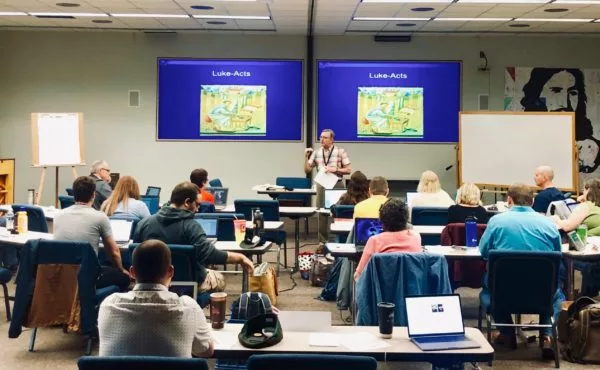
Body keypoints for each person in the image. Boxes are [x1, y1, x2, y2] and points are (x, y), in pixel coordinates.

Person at [479, 183, 563, 357]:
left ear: (509, 200)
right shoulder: (549, 224)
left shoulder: (496, 221)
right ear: (532, 201)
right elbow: (557, 255)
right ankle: (547, 336)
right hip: (541, 291)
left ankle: (506, 333)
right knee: (555, 295)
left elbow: (484, 251)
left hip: (504, 290)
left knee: (489, 287)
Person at [98, 239, 213, 357]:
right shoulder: (189, 307)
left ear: (132, 272)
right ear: (171, 271)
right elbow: (206, 351)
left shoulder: (108, 305)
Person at [133, 181, 253, 292]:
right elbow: (210, 255)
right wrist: (240, 257)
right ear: (187, 202)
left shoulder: (144, 224)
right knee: (219, 278)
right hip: (189, 283)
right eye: (197, 204)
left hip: (150, 283)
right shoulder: (191, 227)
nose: (197, 209)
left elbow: (135, 253)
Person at [54, 176, 130, 290]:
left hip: (62, 274)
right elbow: (114, 252)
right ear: (94, 195)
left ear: (73, 195)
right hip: (88, 277)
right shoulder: (99, 217)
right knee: (124, 278)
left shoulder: (58, 215)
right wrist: (122, 269)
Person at [520, 68, 600, 174]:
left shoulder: (592, 148)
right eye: (556, 90)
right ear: (537, 95)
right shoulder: (523, 141)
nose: (565, 103)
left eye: (573, 93)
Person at [354, 198, 421, 280]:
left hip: (381, 291)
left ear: (382, 222)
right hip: (411, 290)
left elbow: (359, 276)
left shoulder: (375, 241)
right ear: (406, 220)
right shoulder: (416, 237)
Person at [304, 129, 352, 244]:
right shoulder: (316, 152)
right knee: (321, 212)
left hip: (337, 182)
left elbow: (349, 170)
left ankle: (341, 239)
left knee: (340, 210)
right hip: (322, 184)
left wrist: (335, 169)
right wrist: (306, 157)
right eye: (321, 137)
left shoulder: (340, 152)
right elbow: (307, 170)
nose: (321, 139)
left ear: (331, 139)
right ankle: (322, 241)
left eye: (325, 137)